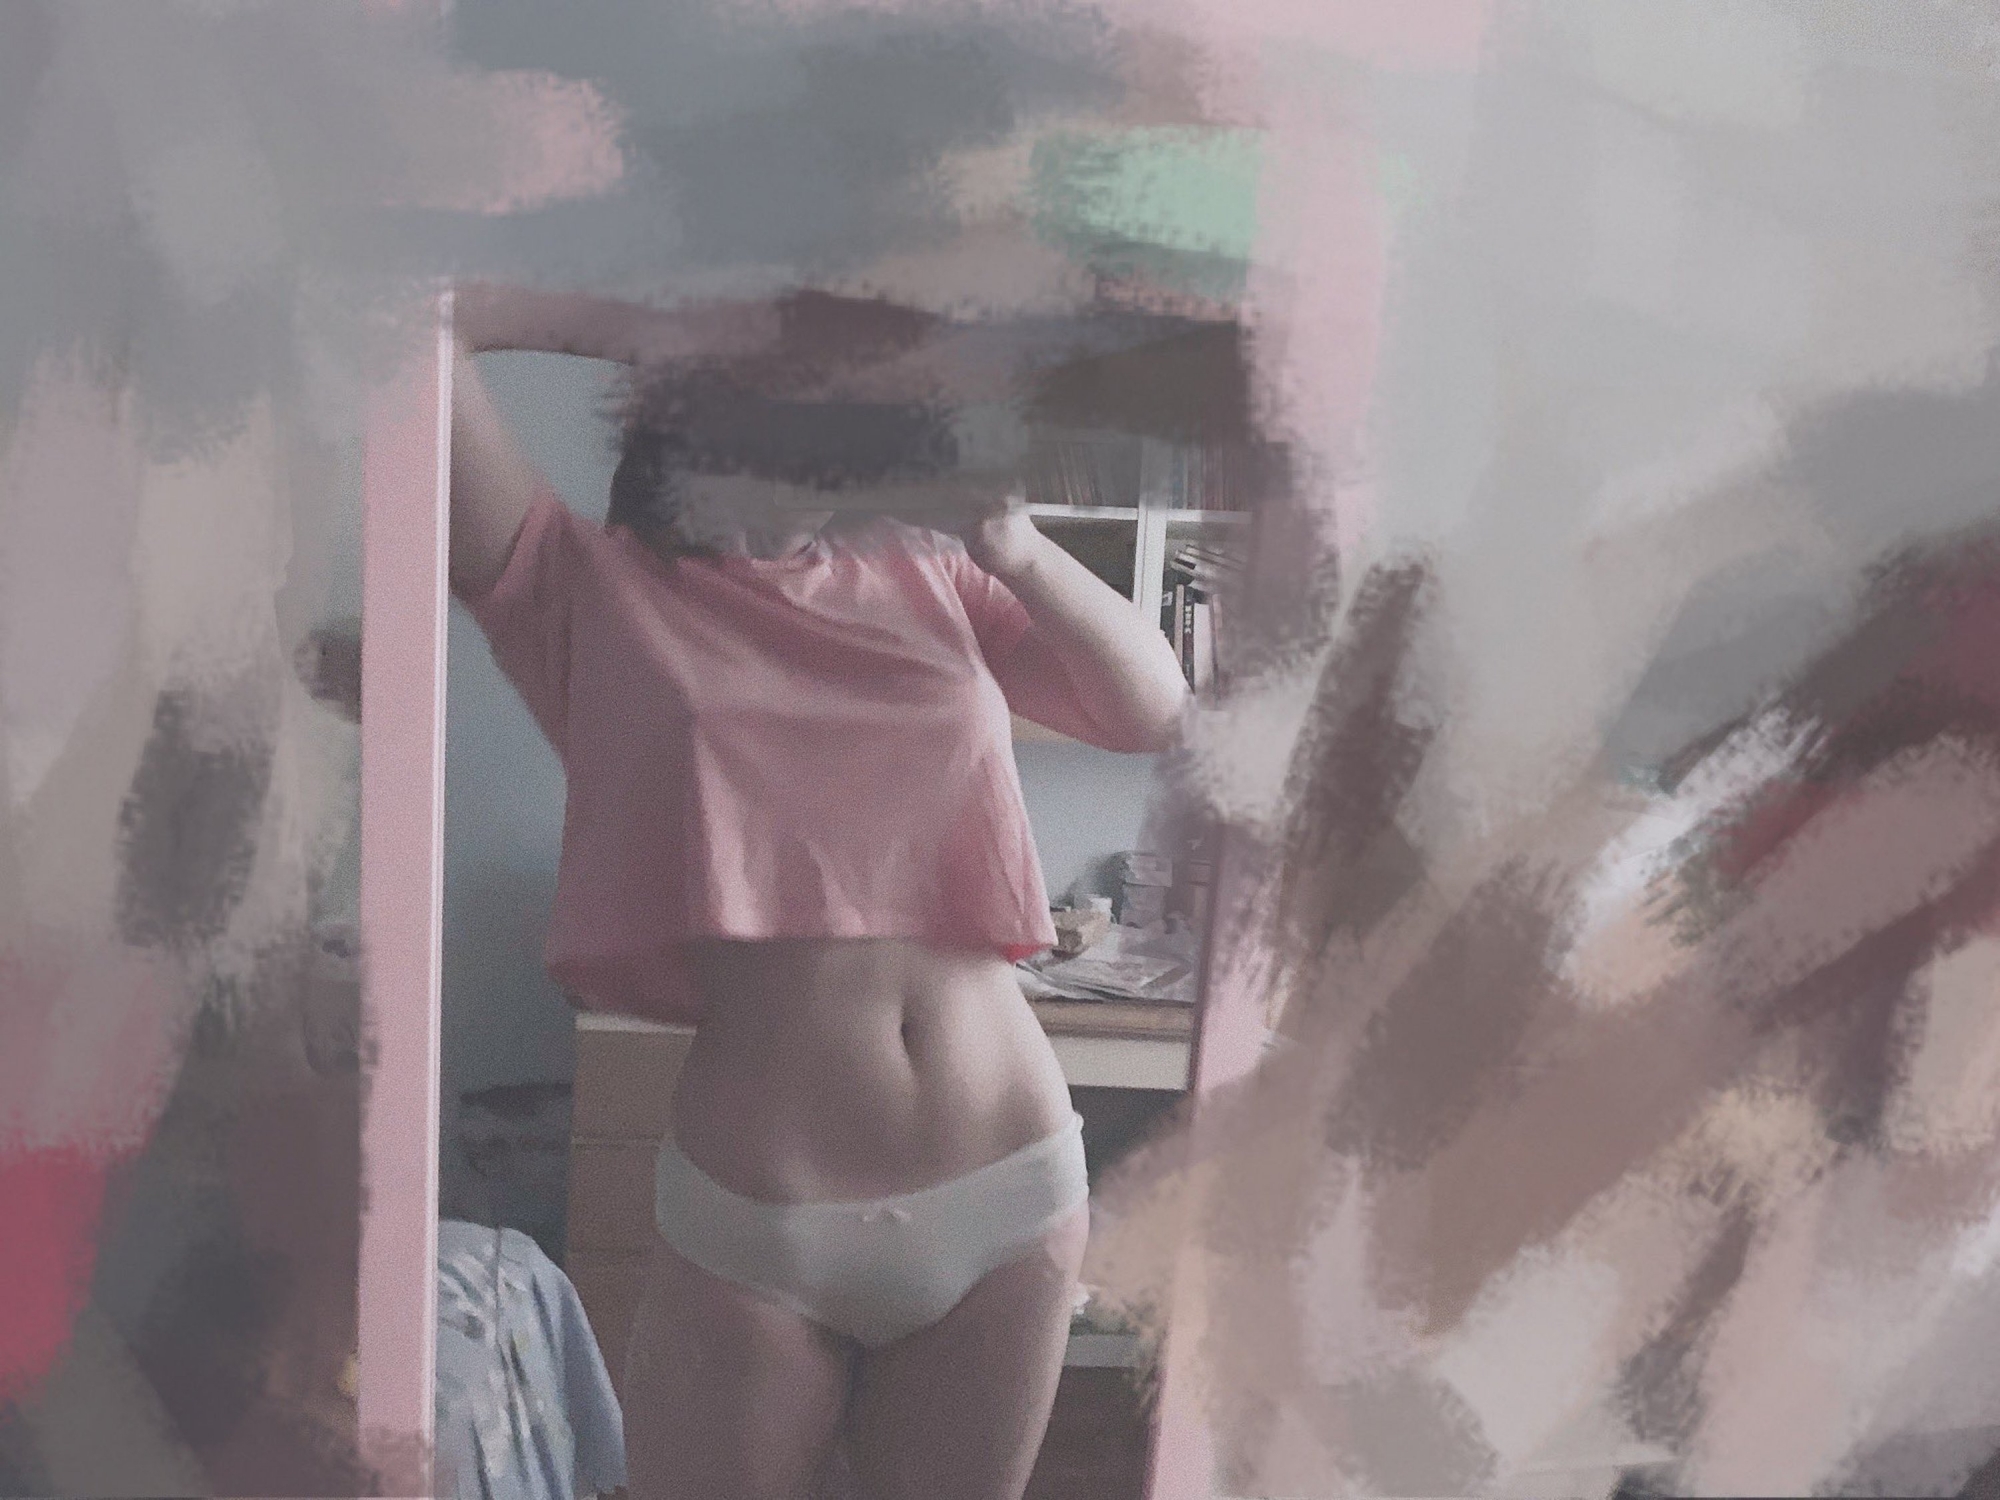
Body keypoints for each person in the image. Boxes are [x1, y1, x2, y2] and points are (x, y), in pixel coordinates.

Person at [447, 283, 1188, 1500]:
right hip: (761, 1221)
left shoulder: (923, 569)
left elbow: (1151, 711)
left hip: (1003, 1186)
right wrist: (655, 327)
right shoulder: (579, 585)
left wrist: (1013, 546)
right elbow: (419, 327)